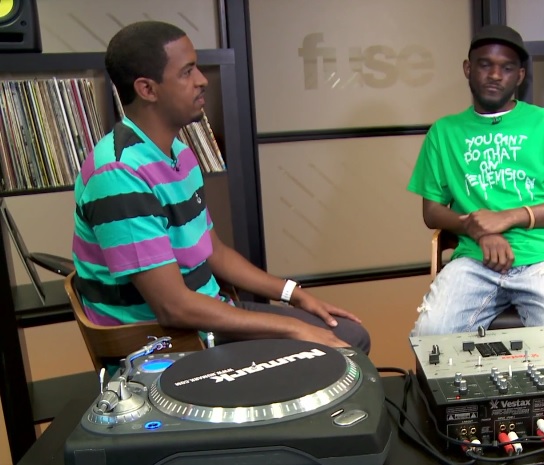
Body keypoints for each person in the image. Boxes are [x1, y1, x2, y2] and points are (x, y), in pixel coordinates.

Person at [71, 21, 370, 353]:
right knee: (344, 346)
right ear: (147, 89)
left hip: (207, 316)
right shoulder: (119, 173)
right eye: (187, 72)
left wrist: (292, 294)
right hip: (171, 343)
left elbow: (214, 251)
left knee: (349, 334)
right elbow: (172, 307)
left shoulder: (179, 154)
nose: (202, 80)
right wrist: (294, 328)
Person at [407, 25, 544, 344]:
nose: (495, 75)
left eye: (507, 68)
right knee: (430, 337)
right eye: (485, 65)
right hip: (474, 260)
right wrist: (479, 230)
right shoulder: (444, 132)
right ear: (468, 69)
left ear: (520, 76)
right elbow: (432, 212)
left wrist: (508, 217)